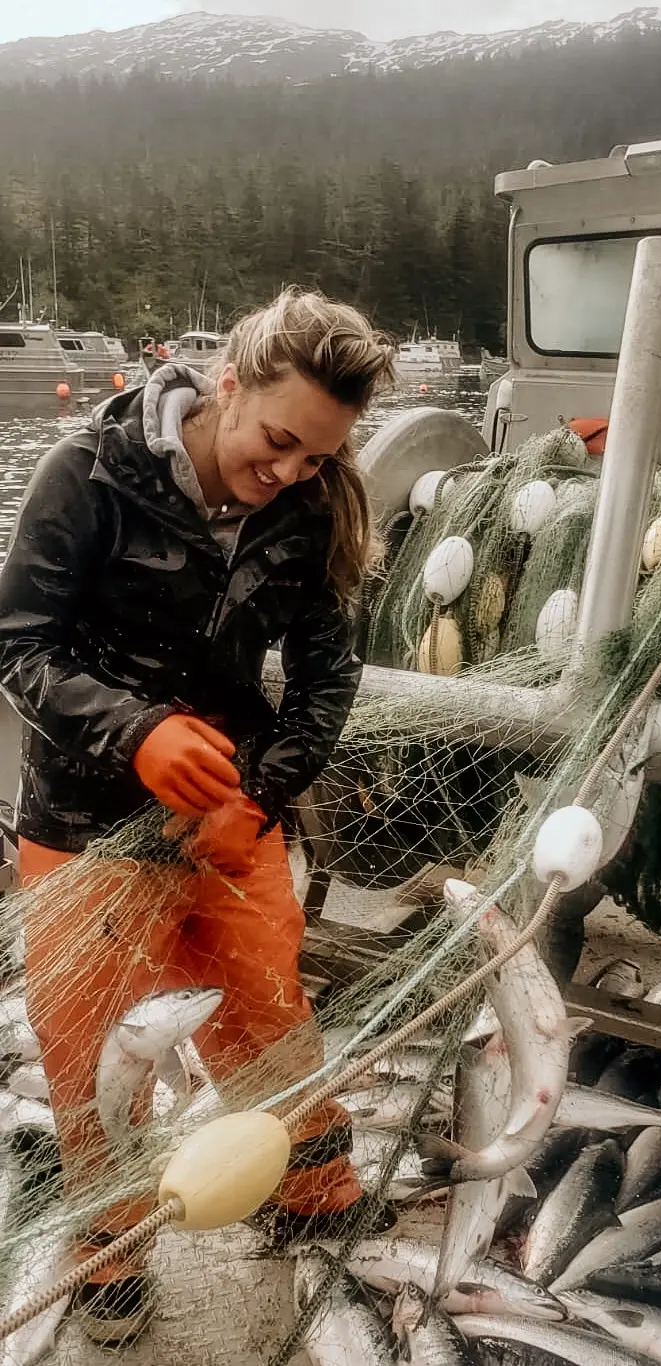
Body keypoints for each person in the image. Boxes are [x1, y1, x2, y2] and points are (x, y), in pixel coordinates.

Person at [0, 287, 395, 1347]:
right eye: (278, 443)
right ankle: (111, 1250)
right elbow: (21, 648)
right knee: (100, 1062)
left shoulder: (310, 508)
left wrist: (261, 796)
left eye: (317, 458)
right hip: (87, 825)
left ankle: (307, 1188)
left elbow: (325, 675)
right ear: (228, 382)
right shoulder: (84, 475)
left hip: (229, 818)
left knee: (270, 1006)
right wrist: (134, 731)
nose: (291, 474)